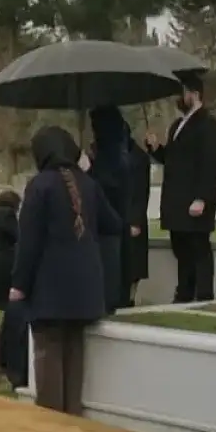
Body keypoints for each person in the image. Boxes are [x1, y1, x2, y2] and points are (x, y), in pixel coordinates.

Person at [11, 126, 121, 415]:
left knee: (48, 354)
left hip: (50, 289)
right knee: (74, 353)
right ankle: (72, 421)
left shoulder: (40, 186)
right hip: (86, 288)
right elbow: (113, 224)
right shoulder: (89, 184)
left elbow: (29, 241)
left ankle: (51, 425)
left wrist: (19, 284)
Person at [144, 74, 216, 302]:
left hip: (195, 200)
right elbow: (173, 160)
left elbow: (210, 164)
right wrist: (156, 149)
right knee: (181, 250)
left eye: (182, 93)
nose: (178, 99)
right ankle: (184, 293)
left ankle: (204, 294)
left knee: (198, 249)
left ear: (194, 94)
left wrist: (202, 197)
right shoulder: (177, 126)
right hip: (176, 200)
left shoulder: (210, 125)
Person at [89, 105, 130, 312]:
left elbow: (106, 184)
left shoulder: (112, 155)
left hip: (109, 221)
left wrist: (89, 169)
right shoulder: (116, 151)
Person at [125, 137, 152, 306]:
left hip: (132, 217)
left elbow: (141, 191)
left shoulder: (138, 158)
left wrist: (135, 220)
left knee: (133, 264)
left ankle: (130, 298)